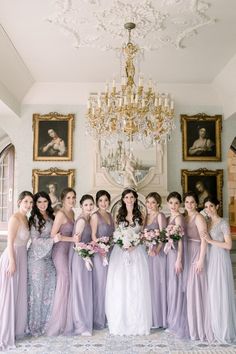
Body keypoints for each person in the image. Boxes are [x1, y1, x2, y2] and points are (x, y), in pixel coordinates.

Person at [105, 187, 152, 336]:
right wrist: (121, 243)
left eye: (131, 197)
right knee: (121, 285)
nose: (129, 200)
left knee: (136, 285)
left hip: (136, 253)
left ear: (135, 199)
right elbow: (115, 234)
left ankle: (137, 321)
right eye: (126, 197)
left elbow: (143, 235)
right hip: (120, 253)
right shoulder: (118, 215)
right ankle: (121, 320)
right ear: (123, 199)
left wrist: (134, 244)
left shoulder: (142, 215)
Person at [0, 191, 33, 350]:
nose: (29, 205)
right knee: (10, 294)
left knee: (19, 293)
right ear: (19, 202)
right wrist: (12, 262)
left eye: (30, 203)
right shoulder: (14, 218)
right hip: (12, 257)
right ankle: (5, 333)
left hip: (23, 257)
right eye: (26, 202)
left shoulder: (26, 218)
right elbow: (9, 242)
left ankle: (16, 329)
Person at [203, 196, 236, 343]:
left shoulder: (223, 222)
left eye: (211, 206)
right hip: (210, 259)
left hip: (220, 259)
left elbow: (229, 245)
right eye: (206, 206)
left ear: (217, 206)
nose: (208, 209)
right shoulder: (208, 223)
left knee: (220, 291)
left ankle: (223, 328)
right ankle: (213, 326)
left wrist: (210, 241)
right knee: (212, 292)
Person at [27, 191, 60, 336]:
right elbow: (35, 241)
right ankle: (35, 326)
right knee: (37, 292)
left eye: (45, 201)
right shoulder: (34, 218)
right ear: (35, 204)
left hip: (49, 258)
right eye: (39, 202)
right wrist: (53, 241)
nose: (42, 204)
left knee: (49, 290)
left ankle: (47, 324)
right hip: (36, 259)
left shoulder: (52, 216)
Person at [47, 188, 78, 336]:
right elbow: (53, 235)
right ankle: (57, 324)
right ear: (63, 199)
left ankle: (67, 320)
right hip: (59, 252)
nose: (71, 200)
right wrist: (72, 239)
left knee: (69, 282)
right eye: (68, 198)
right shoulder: (60, 214)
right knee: (64, 282)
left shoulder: (72, 213)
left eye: (73, 197)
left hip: (69, 251)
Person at [184, 192, 213, 342]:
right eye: (187, 202)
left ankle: (199, 328)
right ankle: (191, 325)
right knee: (189, 291)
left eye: (192, 202)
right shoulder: (185, 217)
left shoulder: (199, 217)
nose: (189, 204)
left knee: (196, 290)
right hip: (187, 253)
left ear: (196, 204)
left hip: (196, 253)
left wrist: (201, 260)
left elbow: (204, 240)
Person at [66, 194, 94, 336]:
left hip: (86, 256)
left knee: (84, 289)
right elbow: (76, 242)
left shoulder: (89, 219)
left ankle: (85, 320)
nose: (89, 207)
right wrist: (85, 255)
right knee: (79, 290)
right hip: (80, 257)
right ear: (82, 206)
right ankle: (80, 325)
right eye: (86, 205)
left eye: (91, 204)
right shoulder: (82, 220)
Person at [90, 190, 115, 330]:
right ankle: (98, 318)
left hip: (110, 252)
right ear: (97, 202)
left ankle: (107, 316)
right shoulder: (95, 216)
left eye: (106, 200)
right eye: (101, 201)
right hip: (100, 253)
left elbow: (113, 234)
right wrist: (101, 247)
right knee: (100, 284)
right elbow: (93, 236)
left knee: (109, 285)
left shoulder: (110, 215)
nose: (103, 203)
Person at [166, 192, 188, 338]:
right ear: (167, 204)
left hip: (176, 255)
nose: (173, 206)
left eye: (176, 203)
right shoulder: (169, 218)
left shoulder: (179, 218)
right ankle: (171, 319)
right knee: (171, 287)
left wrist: (179, 259)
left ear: (180, 204)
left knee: (176, 286)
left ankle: (176, 321)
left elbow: (180, 240)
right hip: (169, 253)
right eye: (171, 203)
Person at [144, 192, 167, 329]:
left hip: (157, 254)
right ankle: (151, 317)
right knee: (149, 285)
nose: (150, 205)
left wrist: (156, 250)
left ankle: (160, 318)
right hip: (147, 253)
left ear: (158, 203)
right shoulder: (146, 216)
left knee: (158, 284)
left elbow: (164, 236)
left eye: (153, 202)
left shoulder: (160, 215)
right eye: (148, 202)